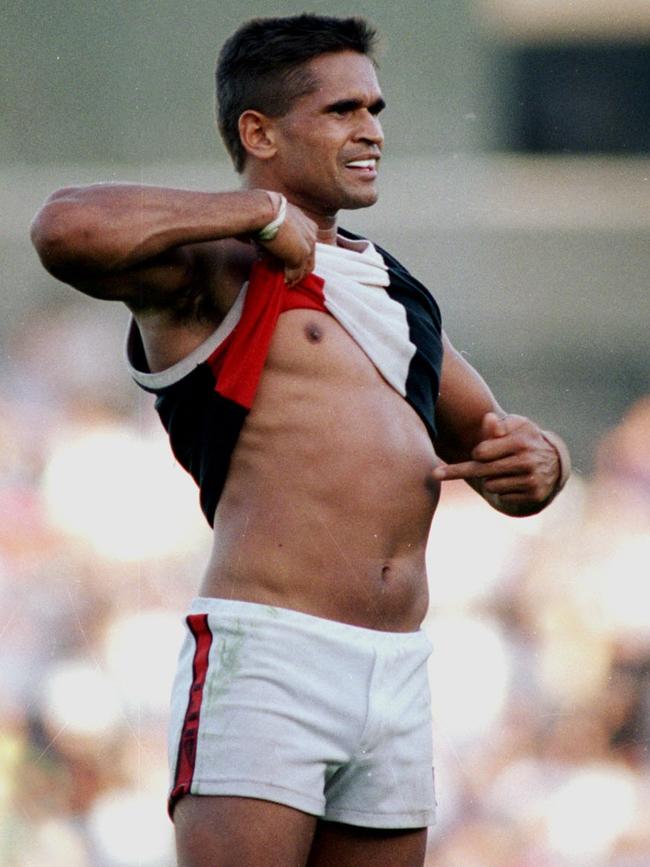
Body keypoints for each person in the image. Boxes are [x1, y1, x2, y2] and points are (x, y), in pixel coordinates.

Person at [30, 14, 570, 867]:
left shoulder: (392, 288)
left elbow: (505, 451)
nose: (373, 131)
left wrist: (547, 462)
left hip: (397, 665)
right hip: (269, 653)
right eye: (344, 110)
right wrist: (260, 213)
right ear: (260, 132)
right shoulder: (214, 265)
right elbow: (63, 228)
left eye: (376, 108)